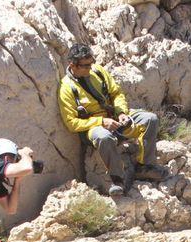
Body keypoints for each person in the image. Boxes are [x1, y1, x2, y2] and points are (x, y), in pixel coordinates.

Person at [57, 43, 168, 196]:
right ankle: (118, 179)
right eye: (85, 65)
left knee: (150, 119)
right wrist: (101, 122)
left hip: (115, 118)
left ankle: (145, 166)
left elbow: (116, 93)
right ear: (73, 65)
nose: (90, 68)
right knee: (104, 137)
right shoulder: (67, 89)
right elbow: (71, 123)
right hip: (95, 127)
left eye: (91, 63)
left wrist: (121, 112)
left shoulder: (98, 72)